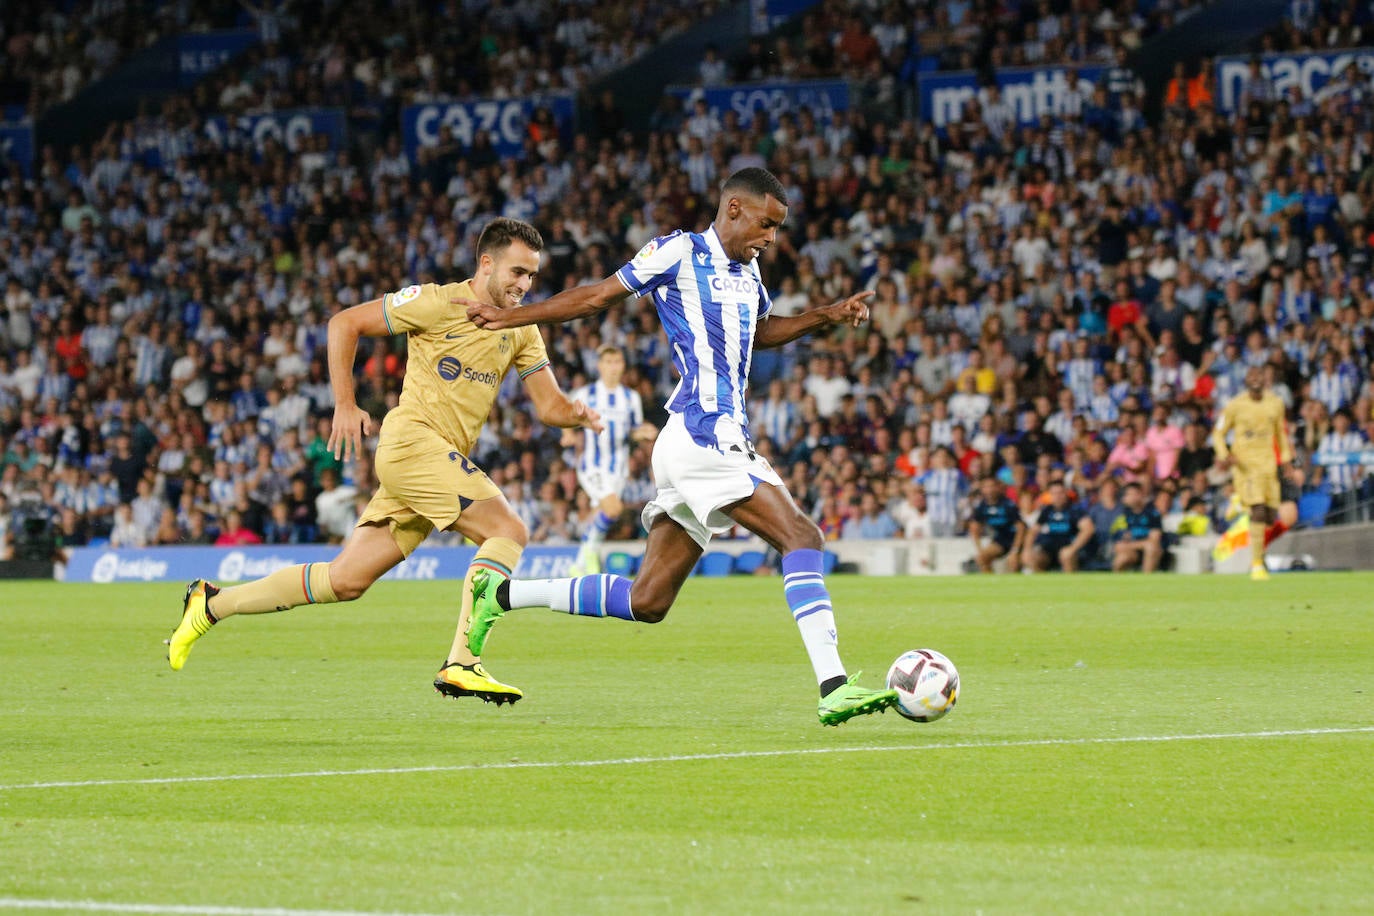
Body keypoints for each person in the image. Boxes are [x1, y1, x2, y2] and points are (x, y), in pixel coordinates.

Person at [463, 168, 897, 725]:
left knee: (648, 601)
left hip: (696, 440)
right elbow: (597, 296)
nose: (771, 238)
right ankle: (834, 685)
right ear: (733, 209)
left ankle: (498, 597)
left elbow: (760, 331)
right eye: (766, 224)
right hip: (702, 433)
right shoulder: (679, 252)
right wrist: (509, 317)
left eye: (778, 229)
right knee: (801, 536)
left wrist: (824, 316)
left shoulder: (750, 273)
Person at [165, 218, 602, 705]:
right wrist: (345, 403)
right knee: (509, 530)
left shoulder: (521, 329)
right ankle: (462, 660)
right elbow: (344, 323)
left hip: (437, 462)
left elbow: (549, 407)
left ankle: (211, 604)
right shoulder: (435, 302)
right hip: (413, 444)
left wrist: (576, 415)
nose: (525, 285)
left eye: (532, 277)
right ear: (486, 263)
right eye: (518, 272)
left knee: (345, 580)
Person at [564, 344, 657, 575]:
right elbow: (565, 413)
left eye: (617, 362)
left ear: (623, 365)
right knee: (613, 509)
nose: (613, 367)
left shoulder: (631, 398)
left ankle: (578, 565)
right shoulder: (585, 394)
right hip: (592, 465)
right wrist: (567, 434)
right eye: (608, 362)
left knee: (603, 514)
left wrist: (642, 433)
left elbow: (633, 430)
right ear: (599, 366)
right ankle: (590, 555)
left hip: (619, 469)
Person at [1211, 365, 1295, 580]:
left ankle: (1239, 502)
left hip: (1268, 466)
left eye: (1259, 375)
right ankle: (1257, 564)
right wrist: (1224, 454)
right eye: (1251, 375)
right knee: (1258, 511)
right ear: (1246, 380)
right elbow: (1218, 432)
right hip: (1245, 466)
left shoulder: (1275, 403)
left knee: (1269, 516)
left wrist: (1286, 461)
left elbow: (1281, 434)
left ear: (1265, 379)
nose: (1255, 379)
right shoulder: (1235, 405)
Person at [1022, 480, 1095, 573]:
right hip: (1049, 549)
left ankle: (1071, 585)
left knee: (1067, 556)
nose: (1058, 497)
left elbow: (1088, 529)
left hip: (1069, 547)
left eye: (1060, 493)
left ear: (1066, 493)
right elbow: (1033, 531)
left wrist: (1072, 548)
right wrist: (1027, 549)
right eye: (1054, 494)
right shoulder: (1047, 510)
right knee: (1033, 558)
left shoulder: (1075, 510)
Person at [968, 475, 1023, 573]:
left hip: (1016, 539)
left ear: (998, 487)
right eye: (986, 487)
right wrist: (980, 548)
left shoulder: (1007, 504)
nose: (989, 490)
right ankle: (990, 584)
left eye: (992, 486)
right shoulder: (982, 506)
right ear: (982, 489)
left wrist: (1015, 551)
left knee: (1014, 562)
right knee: (982, 558)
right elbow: (974, 528)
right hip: (1001, 539)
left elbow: (1021, 528)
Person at [1111, 482, 1164, 573]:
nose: (1132, 497)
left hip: (1149, 551)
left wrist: (1134, 544)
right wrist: (1141, 544)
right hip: (1132, 551)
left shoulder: (1152, 513)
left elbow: (1155, 539)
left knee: (1151, 547)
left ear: (1141, 495)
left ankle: (1147, 580)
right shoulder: (1122, 515)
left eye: (1134, 494)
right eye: (1129, 494)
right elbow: (1119, 545)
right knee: (1121, 558)